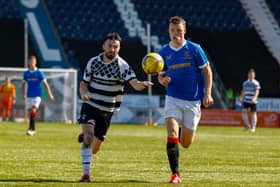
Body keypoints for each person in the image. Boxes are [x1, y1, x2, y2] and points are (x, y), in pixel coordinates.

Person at [78, 32, 153, 182]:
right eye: (110, 46)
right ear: (103, 46)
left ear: (119, 48)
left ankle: (87, 137)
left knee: (95, 149)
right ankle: (86, 174)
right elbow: (84, 82)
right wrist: (84, 93)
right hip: (91, 105)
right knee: (88, 136)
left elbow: (134, 83)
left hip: (107, 111)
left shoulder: (123, 66)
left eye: (116, 47)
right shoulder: (93, 62)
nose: (112, 49)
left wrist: (142, 85)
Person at [157, 16, 214, 184]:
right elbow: (161, 73)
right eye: (173, 31)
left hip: (193, 101)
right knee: (171, 134)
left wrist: (208, 93)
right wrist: (162, 80)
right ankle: (175, 174)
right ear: (169, 31)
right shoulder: (163, 53)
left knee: (186, 143)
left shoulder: (195, 49)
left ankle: (183, 131)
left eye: (179, 31)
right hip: (173, 98)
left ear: (185, 31)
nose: (176, 34)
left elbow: (208, 71)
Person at [21, 55, 55, 136]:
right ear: (28, 62)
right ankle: (33, 129)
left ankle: (30, 129)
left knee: (33, 110)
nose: (32, 63)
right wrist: (23, 94)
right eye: (31, 61)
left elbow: (45, 84)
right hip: (29, 95)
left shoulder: (39, 73)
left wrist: (50, 94)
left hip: (37, 96)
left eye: (33, 61)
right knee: (31, 113)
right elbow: (23, 85)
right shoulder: (26, 73)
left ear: (35, 62)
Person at [238, 68, 261, 132]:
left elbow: (257, 91)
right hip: (246, 100)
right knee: (243, 112)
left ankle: (253, 127)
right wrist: (241, 98)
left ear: (254, 75)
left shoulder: (256, 83)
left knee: (253, 113)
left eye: (252, 74)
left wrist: (254, 98)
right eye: (250, 74)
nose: (251, 75)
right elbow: (243, 91)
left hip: (253, 101)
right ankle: (247, 125)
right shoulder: (245, 83)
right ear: (248, 75)